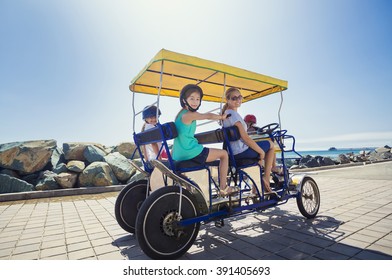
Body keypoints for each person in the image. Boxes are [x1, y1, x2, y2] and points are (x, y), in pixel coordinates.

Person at [172, 84, 237, 197]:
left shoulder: (179, 115)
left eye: (198, 99)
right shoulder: (189, 115)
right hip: (191, 152)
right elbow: (207, 116)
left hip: (178, 155)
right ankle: (223, 188)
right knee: (224, 154)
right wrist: (221, 117)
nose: (195, 102)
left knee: (213, 155)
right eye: (191, 98)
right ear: (184, 100)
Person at [222, 87, 277, 195]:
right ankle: (266, 178)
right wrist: (261, 152)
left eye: (239, 97)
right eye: (234, 98)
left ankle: (256, 187)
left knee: (259, 152)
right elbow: (245, 138)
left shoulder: (227, 115)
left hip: (233, 153)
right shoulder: (233, 115)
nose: (238, 100)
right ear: (227, 100)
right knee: (271, 145)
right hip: (241, 151)